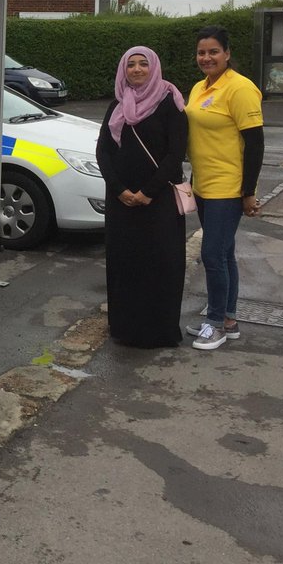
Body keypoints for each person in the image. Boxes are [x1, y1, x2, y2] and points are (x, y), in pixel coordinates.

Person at [96, 47, 189, 348]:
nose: (136, 70)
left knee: (160, 264)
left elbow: (176, 155)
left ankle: (158, 332)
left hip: (158, 201)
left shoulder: (169, 103)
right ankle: (125, 328)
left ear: (154, 68)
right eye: (130, 65)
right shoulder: (117, 105)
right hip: (121, 202)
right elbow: (104, 151)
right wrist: (119, 189)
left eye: (143, 64)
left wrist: (147, 192)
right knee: (126, 263)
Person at [185, 25, 264, 351]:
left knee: (212, 255)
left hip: (228, 189)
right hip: (203, 185)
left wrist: (249, 191)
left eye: (213, 51)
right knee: (224, 253)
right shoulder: (199, 88)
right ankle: (228, 320)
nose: (207, 57)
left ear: (227, 54)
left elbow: (256, 144)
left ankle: (215, 323)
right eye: (202, 52)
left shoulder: (240, 88)